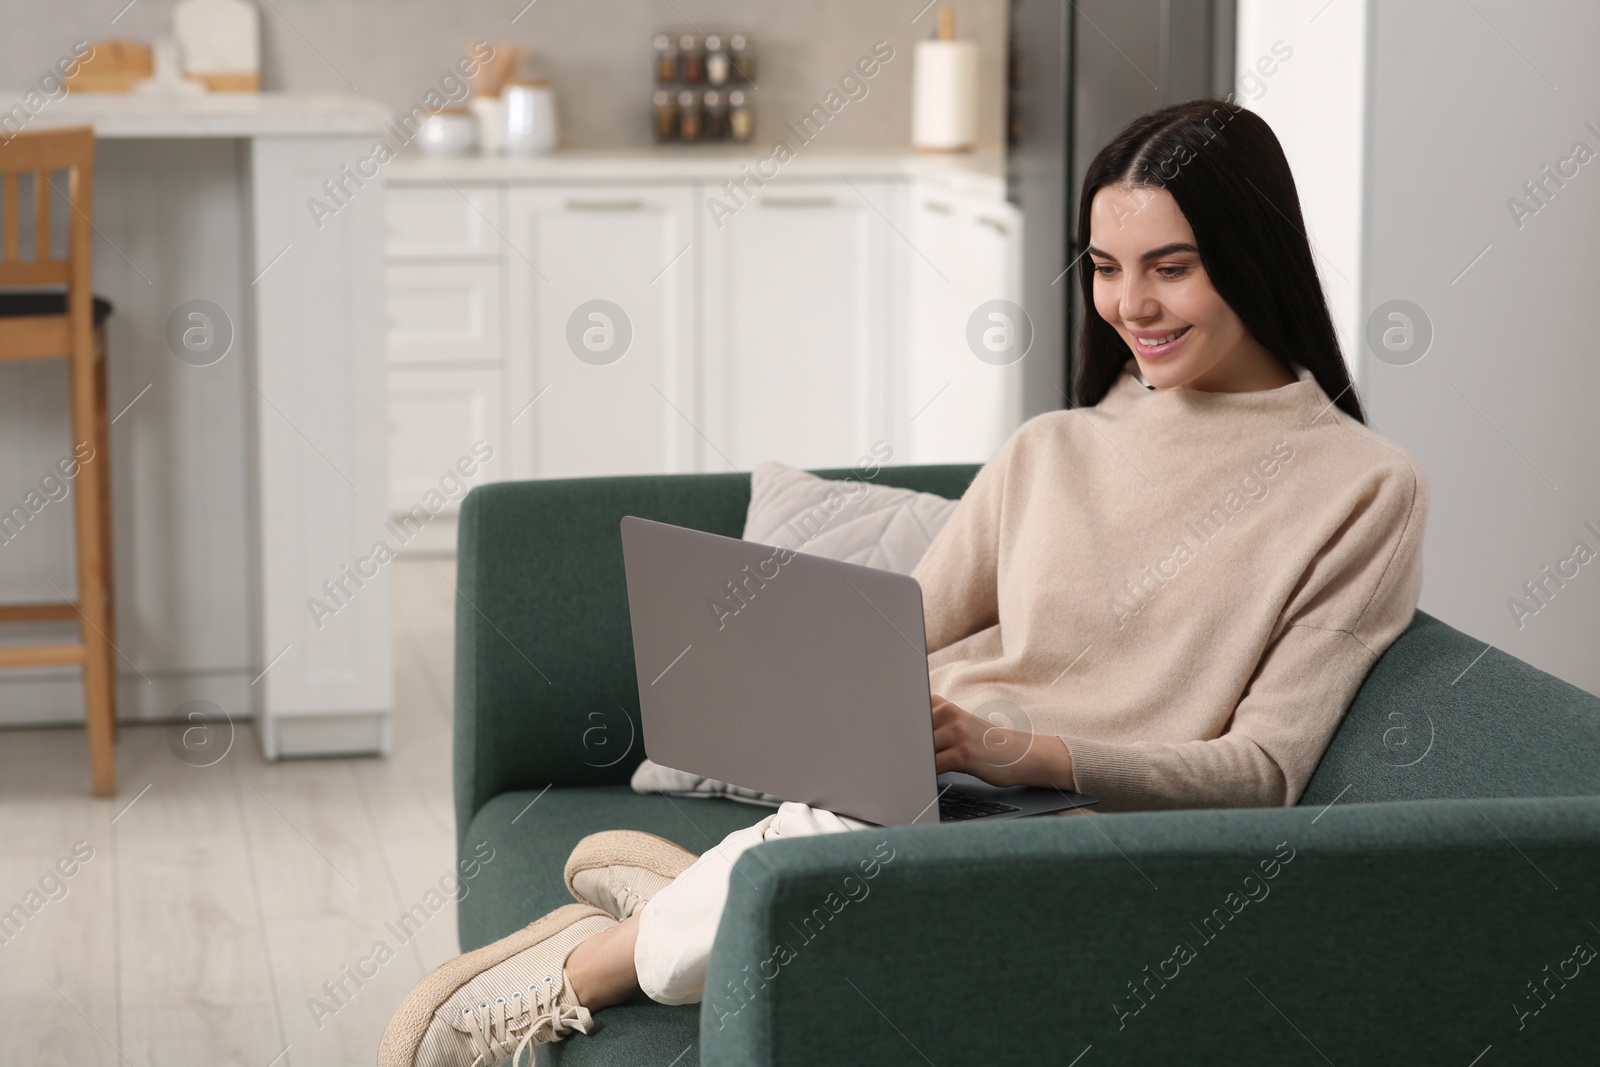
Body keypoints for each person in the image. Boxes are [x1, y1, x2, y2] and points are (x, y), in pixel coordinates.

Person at [378, 97, 1430, 1067]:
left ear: (1252, 256)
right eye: (1104, 266)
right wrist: (779, 667)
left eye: (1171, 266)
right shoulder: (1054, 447)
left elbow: (1262, 771)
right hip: (931, 798)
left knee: (844, 864)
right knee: (867, 839)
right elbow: (898, 628)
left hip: (1102, 834)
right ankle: (688, 905)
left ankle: (582, 962)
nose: (1129, 303)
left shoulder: (1361, 487)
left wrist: (1020, 750)